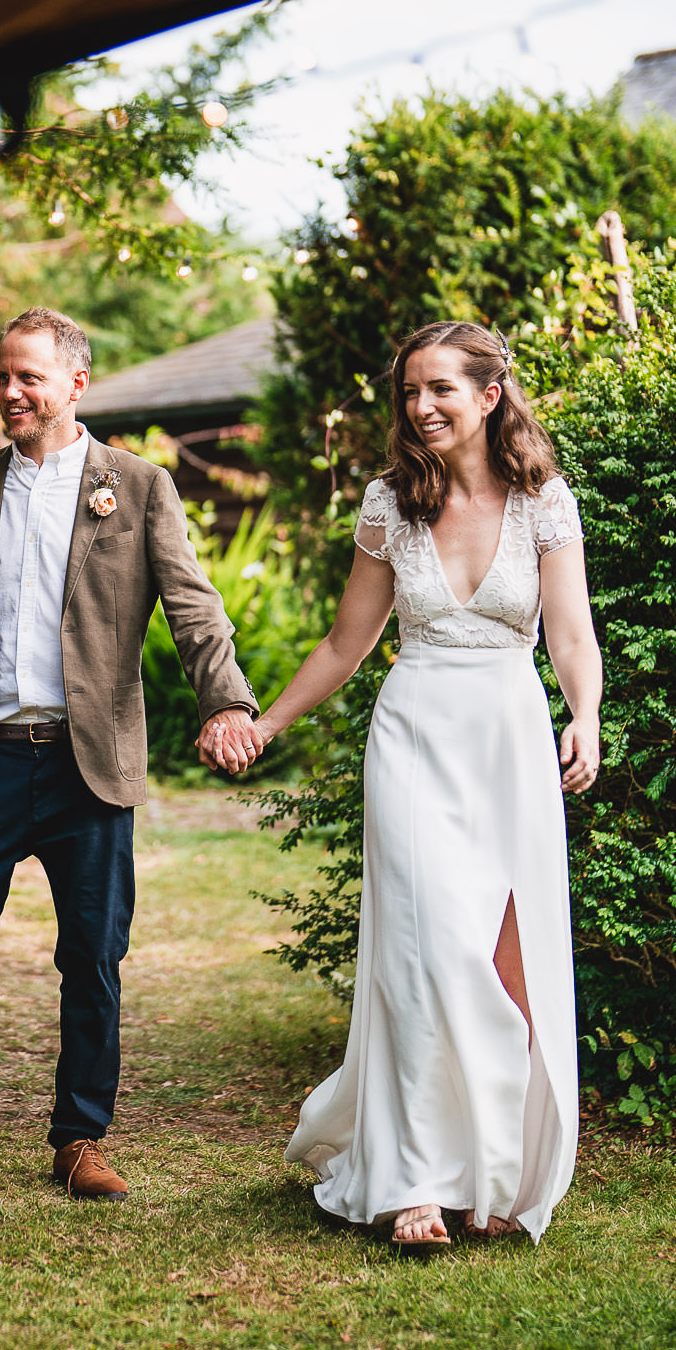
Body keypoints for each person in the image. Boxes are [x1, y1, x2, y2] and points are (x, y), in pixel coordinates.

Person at [0, 306, 262, 1201]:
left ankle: (80, 1135)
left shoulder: (140, 485)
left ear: (73, 384)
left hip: (92, 761)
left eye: (27, 377)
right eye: (3, 374)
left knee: (92, 955)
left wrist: (226, 699)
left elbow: (195, 607)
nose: (9, 391)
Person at [234, 320, 601, 1246]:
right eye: (410, 391)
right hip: (414, 737)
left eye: (441, 388)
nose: (422, 406)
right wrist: (266, 721)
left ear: (489, 395)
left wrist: (584, 713)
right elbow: (345, 643)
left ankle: (491, 1173)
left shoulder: (543, 502)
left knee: (506, 969)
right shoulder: (388, 505)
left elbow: (572, 633)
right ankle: (415, 1185)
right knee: (424, 953)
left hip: (510, 742)